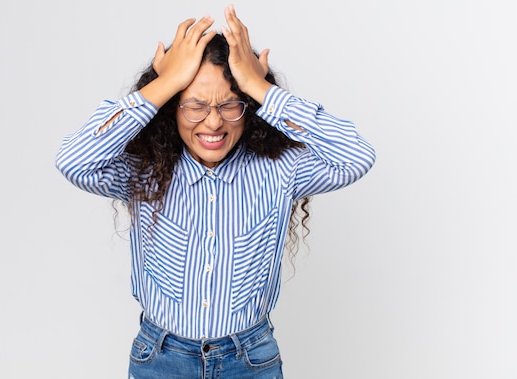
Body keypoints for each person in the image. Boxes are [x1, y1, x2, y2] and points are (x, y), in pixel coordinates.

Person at [55, 5, 375, 378]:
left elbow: (356, 156)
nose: (212, 121)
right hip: (161, 359)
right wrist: (164, 83)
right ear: (171, 109)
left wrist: (260, 87)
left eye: (229, 105)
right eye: (194, 105)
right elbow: (73, 160)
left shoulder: (281, 170)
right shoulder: (142, 173)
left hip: (250, 360)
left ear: (249, 109)